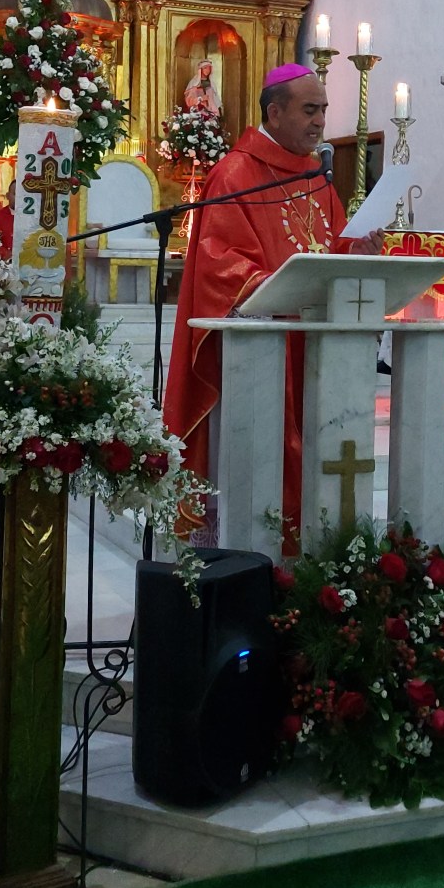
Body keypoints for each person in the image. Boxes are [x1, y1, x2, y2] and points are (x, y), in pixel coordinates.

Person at [164, 63, 384, 543]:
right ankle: (248, 551)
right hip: (262, 351)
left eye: (323, 110)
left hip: (313, 347)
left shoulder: (317, 177)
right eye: (310, 109)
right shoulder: (236, 173)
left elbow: (330, 247)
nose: (321, 121)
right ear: (275, 111)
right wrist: (277, 285)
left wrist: (356, 251)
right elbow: (219, 263)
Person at [0, 178, 16, 260]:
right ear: (8, 196)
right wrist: (7, 254)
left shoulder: (34, 218)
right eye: (15, 194)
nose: (19, 198)